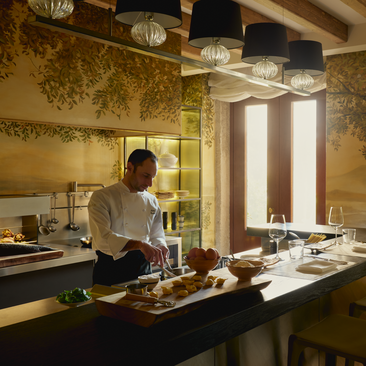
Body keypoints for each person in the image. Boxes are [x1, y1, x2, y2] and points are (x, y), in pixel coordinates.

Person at [88, 149, 169, 286]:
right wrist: (140, 244)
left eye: (152, 177)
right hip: (111, 272)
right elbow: (103, 238)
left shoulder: (151, 200)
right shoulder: (102, 197)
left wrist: (160, 245)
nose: (150, 183)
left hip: (144, 271)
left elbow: (156, 233)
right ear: (129, 167)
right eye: (145, 176)